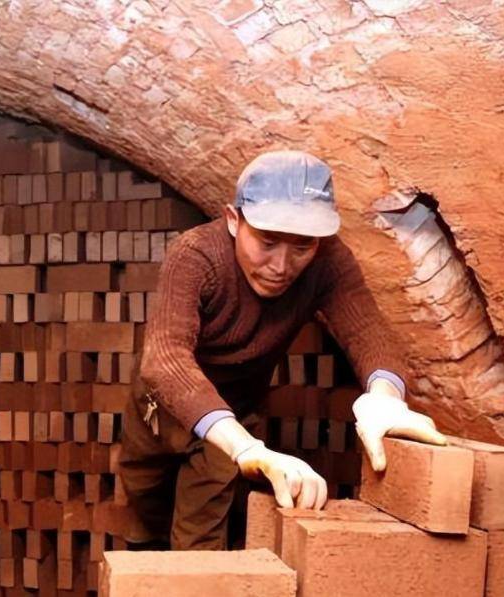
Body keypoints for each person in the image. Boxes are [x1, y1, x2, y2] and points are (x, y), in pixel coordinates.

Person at [118, 150, 446, 550]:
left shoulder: (329, 260)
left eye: (302, 246)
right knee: (145, 510)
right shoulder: (197, 254)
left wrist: (385, 397)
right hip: (162, 403)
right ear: (234, 220)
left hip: (235, 406)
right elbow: (165, 358)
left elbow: (367, 332)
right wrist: (246, 447)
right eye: (268, 242)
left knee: (200, 537)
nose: (281, 265)